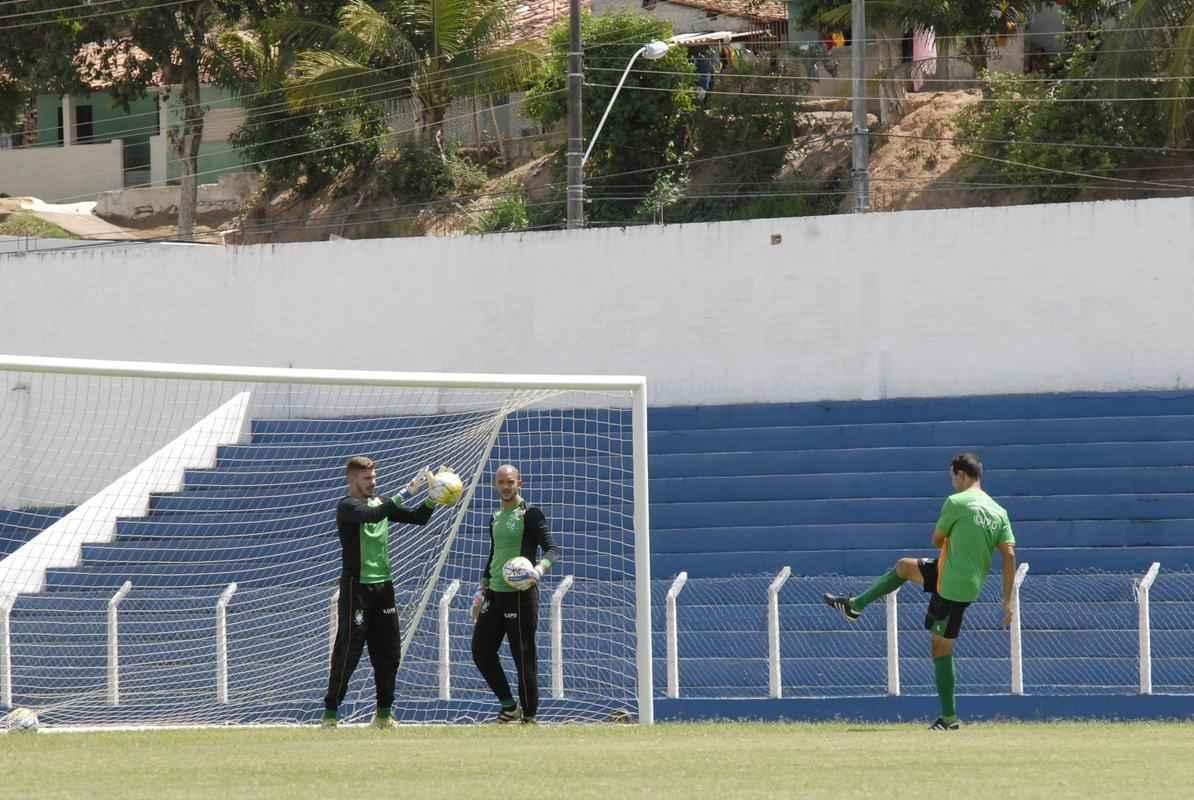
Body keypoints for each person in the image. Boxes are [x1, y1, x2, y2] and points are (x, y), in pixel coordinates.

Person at [822, 452, 1016, 730]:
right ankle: (855, 605)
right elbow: (1009, 555)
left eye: (952, 476)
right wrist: (1007, 601)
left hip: (950, 586)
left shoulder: (957, 502)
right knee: (904, 566)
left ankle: (949, 719)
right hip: (962, 579)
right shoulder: (999, 511)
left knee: (940, 648)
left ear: (961, 475)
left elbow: (937, 539)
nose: (952, 482)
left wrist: (956, 534)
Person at [322, 456, 438, 729]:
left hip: (384, 587)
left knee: (389, 653)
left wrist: (435, 497)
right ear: (352, 480)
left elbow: (419, 518)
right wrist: (408, 491)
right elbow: (372, 516)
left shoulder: (381, 503)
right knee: (348, 651)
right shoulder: (347, 507)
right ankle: (330, 715)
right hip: (356, 588)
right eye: (367, 479)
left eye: (374, 478)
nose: (373, 483)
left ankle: (384, 715)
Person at [470, 464, 560, 724]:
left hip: (521, 596)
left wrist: (538, 570)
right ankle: (509, 706)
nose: (506, 486)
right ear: (495, 485)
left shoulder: (530, 514)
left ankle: (529, 716)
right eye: (501, 482)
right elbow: (493, 555)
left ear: (519, 483)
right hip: (494, 595)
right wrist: (481, 589)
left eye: (510, 482)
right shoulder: (495, 517)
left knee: (523, 656)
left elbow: (552, 549)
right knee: (481, 651)